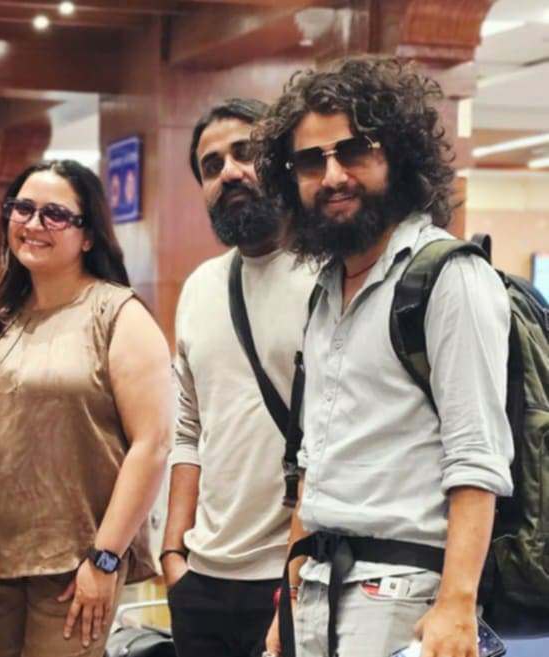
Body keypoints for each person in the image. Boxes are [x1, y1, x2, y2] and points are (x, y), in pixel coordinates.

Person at [255, 56, 514, 657]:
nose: (333, 175)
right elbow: (314, 463)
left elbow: (477, 456)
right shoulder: (327, 290)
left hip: (407, 599)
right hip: (317, 590)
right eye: (310, 161)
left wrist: (457, 605)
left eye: (354, 152)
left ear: (396, 155)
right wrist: (288, 602)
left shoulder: (448, 276)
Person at [0, 160, 171, 657]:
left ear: (88, 235)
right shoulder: (2, 316)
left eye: (54, 214)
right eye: (23, 208)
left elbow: (152, 445)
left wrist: (105, 559)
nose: (33, 224)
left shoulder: (118, 313)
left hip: (77, 562)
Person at [159, 98, 316, 657]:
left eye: (245, 153)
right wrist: (173, 554)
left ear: (281, 162)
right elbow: (188, 431)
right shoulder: (201, 287)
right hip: (201, 578)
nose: (228, 172)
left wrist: (294, 578)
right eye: (211, 165)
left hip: (293, 576)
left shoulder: (330, 277)